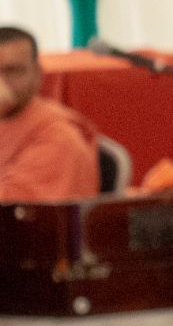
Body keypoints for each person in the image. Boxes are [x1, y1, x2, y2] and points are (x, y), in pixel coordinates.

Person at [0, 25, 99, 202]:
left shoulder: (56, 135)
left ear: (37, 74)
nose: (2, 83)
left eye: (13, 71)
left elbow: (16, 208)